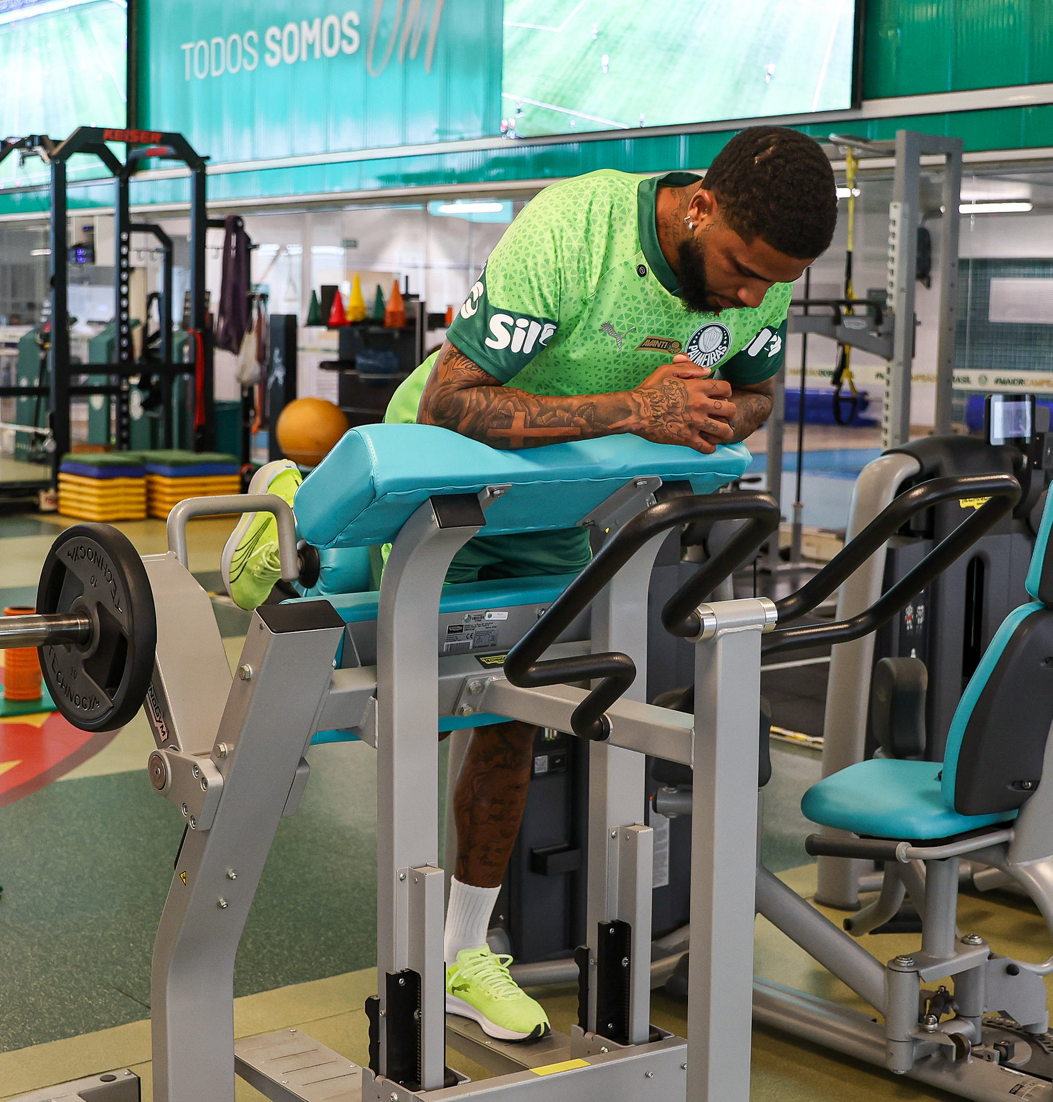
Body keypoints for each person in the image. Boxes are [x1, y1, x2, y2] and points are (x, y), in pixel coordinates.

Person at [223, 125, 838, 1044]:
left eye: (774, 283)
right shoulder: (573, 232)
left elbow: (754, 393)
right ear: (700, 207)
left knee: (509, 710)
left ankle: (464, 952)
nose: (754, 296)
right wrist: (638, 409)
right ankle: (292, 508)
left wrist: (713, 412)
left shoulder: (762, 275)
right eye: (744, 271)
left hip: (563, 500)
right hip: (447, 478)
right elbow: (455, 399)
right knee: (399, 681)